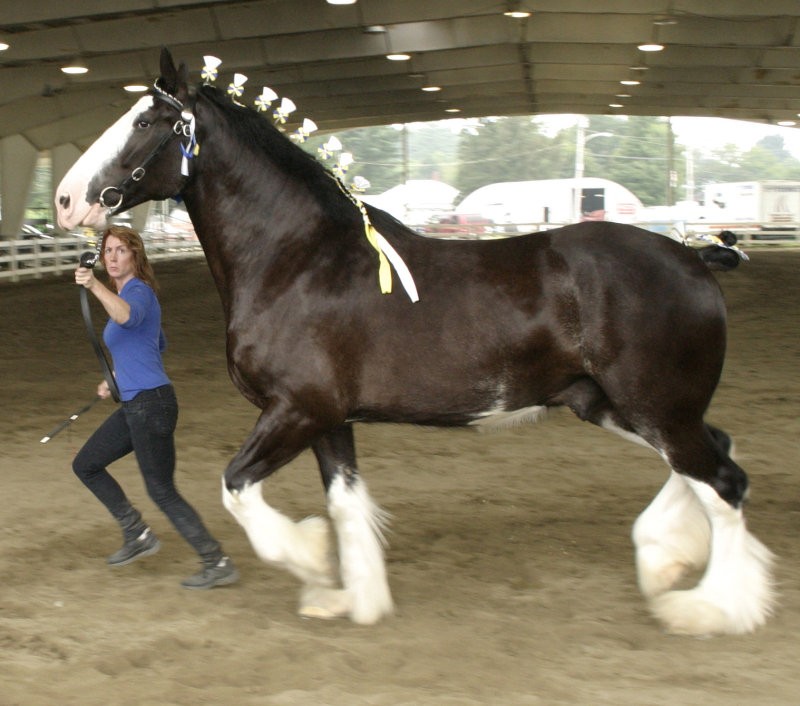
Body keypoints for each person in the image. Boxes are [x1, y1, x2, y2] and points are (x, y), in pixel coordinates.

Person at [72, 225, 238, 589]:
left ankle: (216, 560)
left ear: (136, 257)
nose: (112, 258)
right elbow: (156, 343)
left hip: (151, 405)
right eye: (108, 251)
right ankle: (137, 533)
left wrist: (94, 286)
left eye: (121, 251)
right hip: (137, 402)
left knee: (161, 489)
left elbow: (128, 319)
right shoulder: (128, 295)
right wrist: (117, 374)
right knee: (86, 465)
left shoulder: (139, 292)